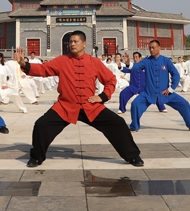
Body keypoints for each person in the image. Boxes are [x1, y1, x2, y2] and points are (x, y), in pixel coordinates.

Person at [15, 31, 143, 168]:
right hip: (66, 106)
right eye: (70, 42)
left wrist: (102, 97)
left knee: (118, 123)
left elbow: (111, 80)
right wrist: (24, 64)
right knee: (41, 125)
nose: (72, 44)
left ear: (84, 43)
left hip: (91, 106)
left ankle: (133, 156)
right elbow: (44, 69)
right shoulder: (62, 60)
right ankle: (36, 157)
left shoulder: (94, 62)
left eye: (75, 41)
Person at [128, 40, 190, 133]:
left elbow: (176, 75)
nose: (151, 50)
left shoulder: (166, 61)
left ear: (159, 48)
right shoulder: (146, 61)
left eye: (153, 47)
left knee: (184, 104)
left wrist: (171, 89)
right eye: (150, 48)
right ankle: (134, 126)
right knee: (135, 104)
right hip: (149, 93)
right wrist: (127, 63)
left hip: (165, 93)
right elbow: (136, 67)